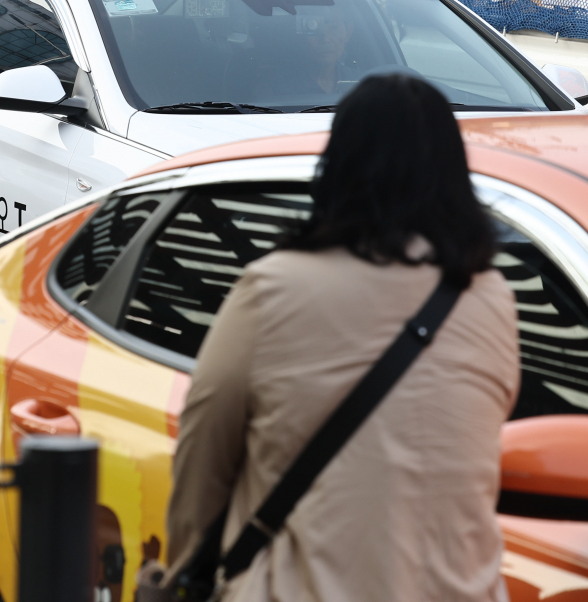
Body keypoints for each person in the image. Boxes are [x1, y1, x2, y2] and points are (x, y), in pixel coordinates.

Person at [164, 73, 520, 601]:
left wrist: (188, 574)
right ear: (452, 174)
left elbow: (203, 457)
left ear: (339, 167)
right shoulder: (491, 298)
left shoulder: (272, 289)